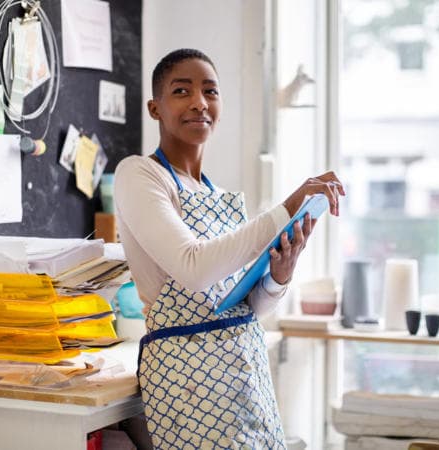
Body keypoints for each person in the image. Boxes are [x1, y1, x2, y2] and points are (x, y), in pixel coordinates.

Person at [114, 48, 344, 449]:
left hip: (246, 377)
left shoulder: (220, 197)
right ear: (155, 108)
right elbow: (194, 269)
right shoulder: (139, 174)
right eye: (181, 91)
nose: (199, 102)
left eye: (210, 91)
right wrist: (287, 207)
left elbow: (245, 307)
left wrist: (279, 276)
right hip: (189, 384)